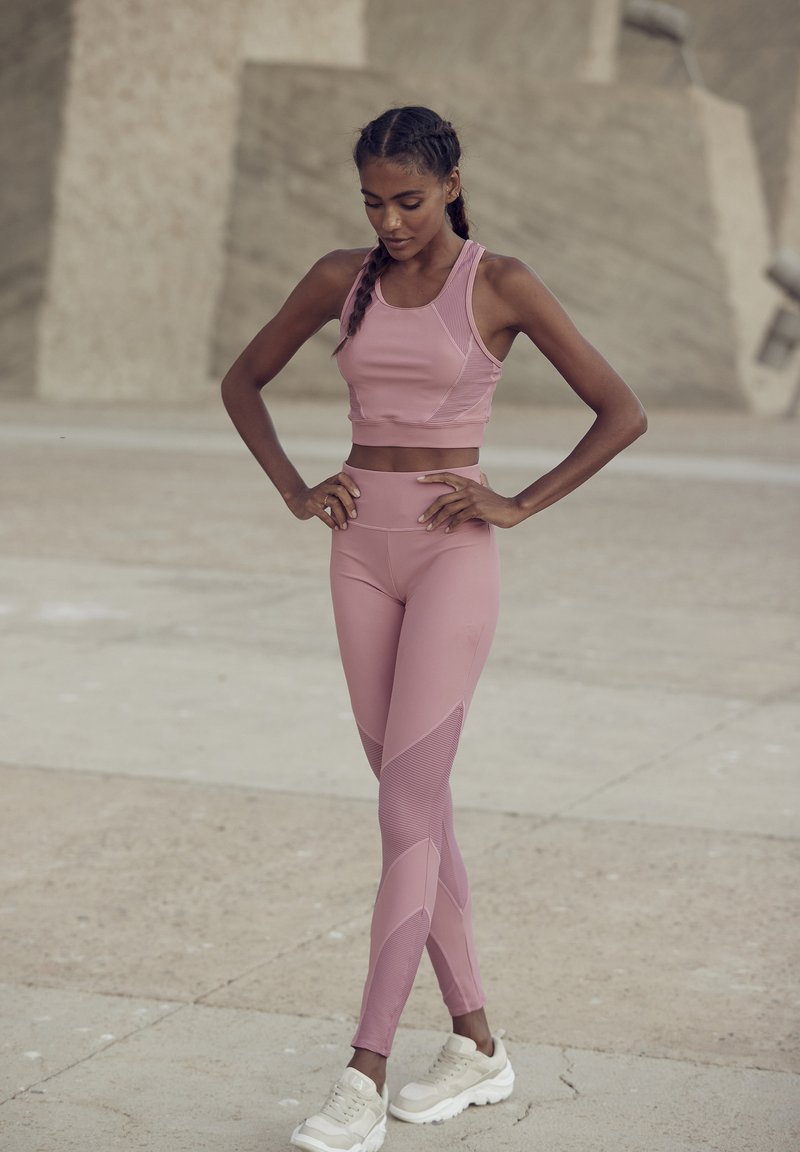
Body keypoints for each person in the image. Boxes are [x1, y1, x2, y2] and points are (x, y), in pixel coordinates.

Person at [221, 105, 647, 1152]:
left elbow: (619, 410)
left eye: (407, 200)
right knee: (413, 807)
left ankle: (361, 1073)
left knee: (406, 803)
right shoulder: (340, 278)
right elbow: (242, 380)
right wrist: (291, 487)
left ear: (451, 184)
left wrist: (515, 502)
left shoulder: (497, 284)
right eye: (371, 201)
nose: (389, 220)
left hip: (453, 556)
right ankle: (475, 1044)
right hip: (359, 549)